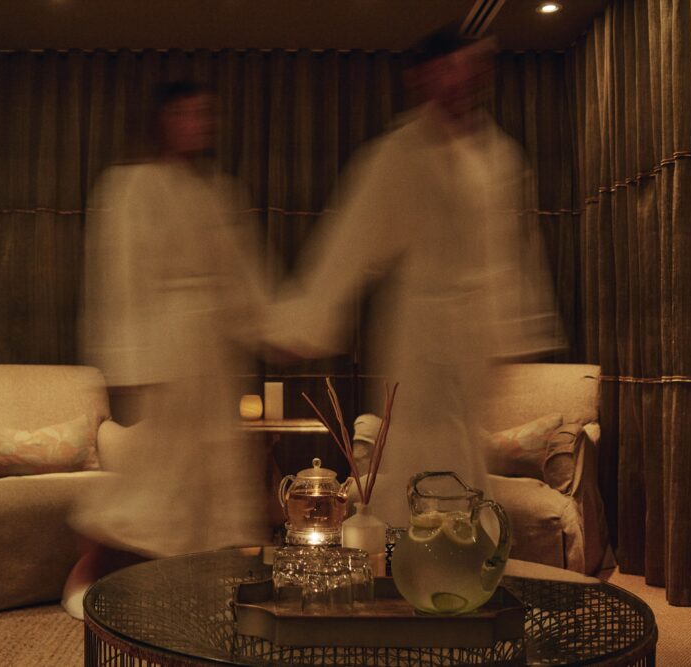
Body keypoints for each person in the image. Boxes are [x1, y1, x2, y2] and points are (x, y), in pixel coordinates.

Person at [264, 27, 563, 528]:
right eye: (447, 68)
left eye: (469, 67)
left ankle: (468, 561)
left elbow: (514, 252)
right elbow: (354, 236)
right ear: (423, 77)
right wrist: (304, 321)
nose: (460, 79)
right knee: (419, 449)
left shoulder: (499, 155)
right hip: (420, 328)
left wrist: (517, 329)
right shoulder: (399, 154)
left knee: (465, 453)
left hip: (473, 336)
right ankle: (414, 556)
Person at [62, 81, 270, 618]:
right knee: (158, 479)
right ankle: (87, 568)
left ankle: (190, 600)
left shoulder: (219, 192)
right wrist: (130, 365)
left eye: (204, 116)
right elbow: (118, 278)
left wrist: (276, 328)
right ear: (162, 120)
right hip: (165, 353)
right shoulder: (129, 187)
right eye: (186, 115)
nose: (197, 126)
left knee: (214, 481)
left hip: (213, 360)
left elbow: (243, 279)